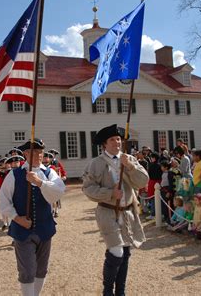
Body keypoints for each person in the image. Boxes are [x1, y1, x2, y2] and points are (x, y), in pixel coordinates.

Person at [82, 124, 149, 296]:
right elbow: (88, 189)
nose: (117, 142)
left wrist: (131, 167)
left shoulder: (128, 159)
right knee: (117, 251)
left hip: (128, 213)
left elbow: (142, 182)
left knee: (125, 253)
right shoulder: (96, 164)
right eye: (112, 140)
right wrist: (110, 193)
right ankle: (107, 291)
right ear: (104, 144)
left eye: (118, 139)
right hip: (107, 212)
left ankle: (120, 291)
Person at [0, 138, 65, 296]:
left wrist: (40, 182)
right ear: (26, 154)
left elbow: (58, 192)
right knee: (27, 270)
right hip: (23, 230)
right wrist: (17, 218)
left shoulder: (49, 173)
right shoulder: (14, 175)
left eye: (41, 152)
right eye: (35, 152)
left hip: (45, 229)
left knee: (41, 270)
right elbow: (3, 202)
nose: (40, 155)